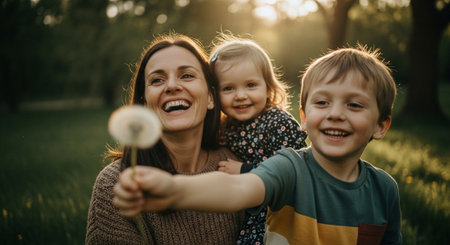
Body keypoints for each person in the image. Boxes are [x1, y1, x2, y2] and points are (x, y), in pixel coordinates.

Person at [113, 45, 402, 244]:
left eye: (353, 105)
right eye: (322, 102)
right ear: (303, 116)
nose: (335, 114)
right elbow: (237, 187)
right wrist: (174, 190)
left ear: (381, 125)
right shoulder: (290, 167)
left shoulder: (384, 189)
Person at [85, 33, 244, 245]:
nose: (171, 86)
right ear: (144, 104)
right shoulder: (116, 185)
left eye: (187, 75)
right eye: (157, 80)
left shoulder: (237, 167)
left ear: (211, 98)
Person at [210, 33, 307, 244]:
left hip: (279, 218)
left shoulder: (278, 123)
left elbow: (299, 174)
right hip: (243, 216)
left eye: (251, 85)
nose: (240, 95)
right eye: (229, 88)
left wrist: (245, 170)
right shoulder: (225, 127)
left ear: (268, 87)